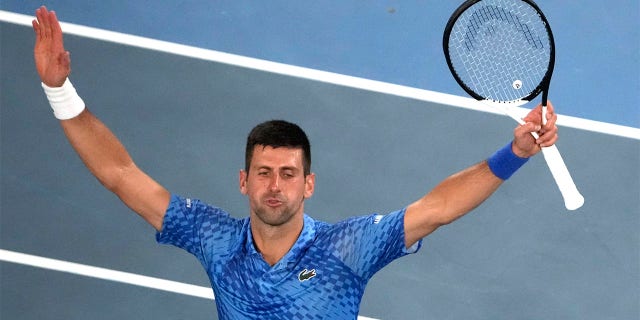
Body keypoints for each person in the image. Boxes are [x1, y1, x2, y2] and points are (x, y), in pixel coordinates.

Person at [32, 6, 558, 319]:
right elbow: (122, 176)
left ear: (309, 185)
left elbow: (438, 207)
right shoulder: (215, 240)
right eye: (264, 173)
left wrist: (512, 154)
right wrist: (59, 92)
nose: (274, 186)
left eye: (288, 174)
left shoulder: (348, 249)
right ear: (243, 181)